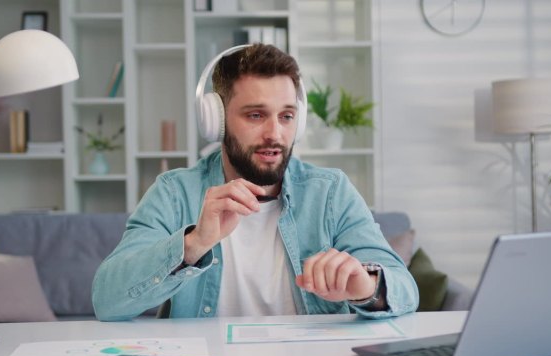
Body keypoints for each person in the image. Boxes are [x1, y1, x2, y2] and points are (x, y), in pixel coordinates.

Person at [92, 43, 418, 321]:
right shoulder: (175, 193)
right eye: (255, 115)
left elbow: (406, 291)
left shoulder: (331, 192)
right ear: (216, 120)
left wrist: (366, 288)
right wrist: (193, 243)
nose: (275, 134)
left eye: (286, 116)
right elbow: (107, 301)